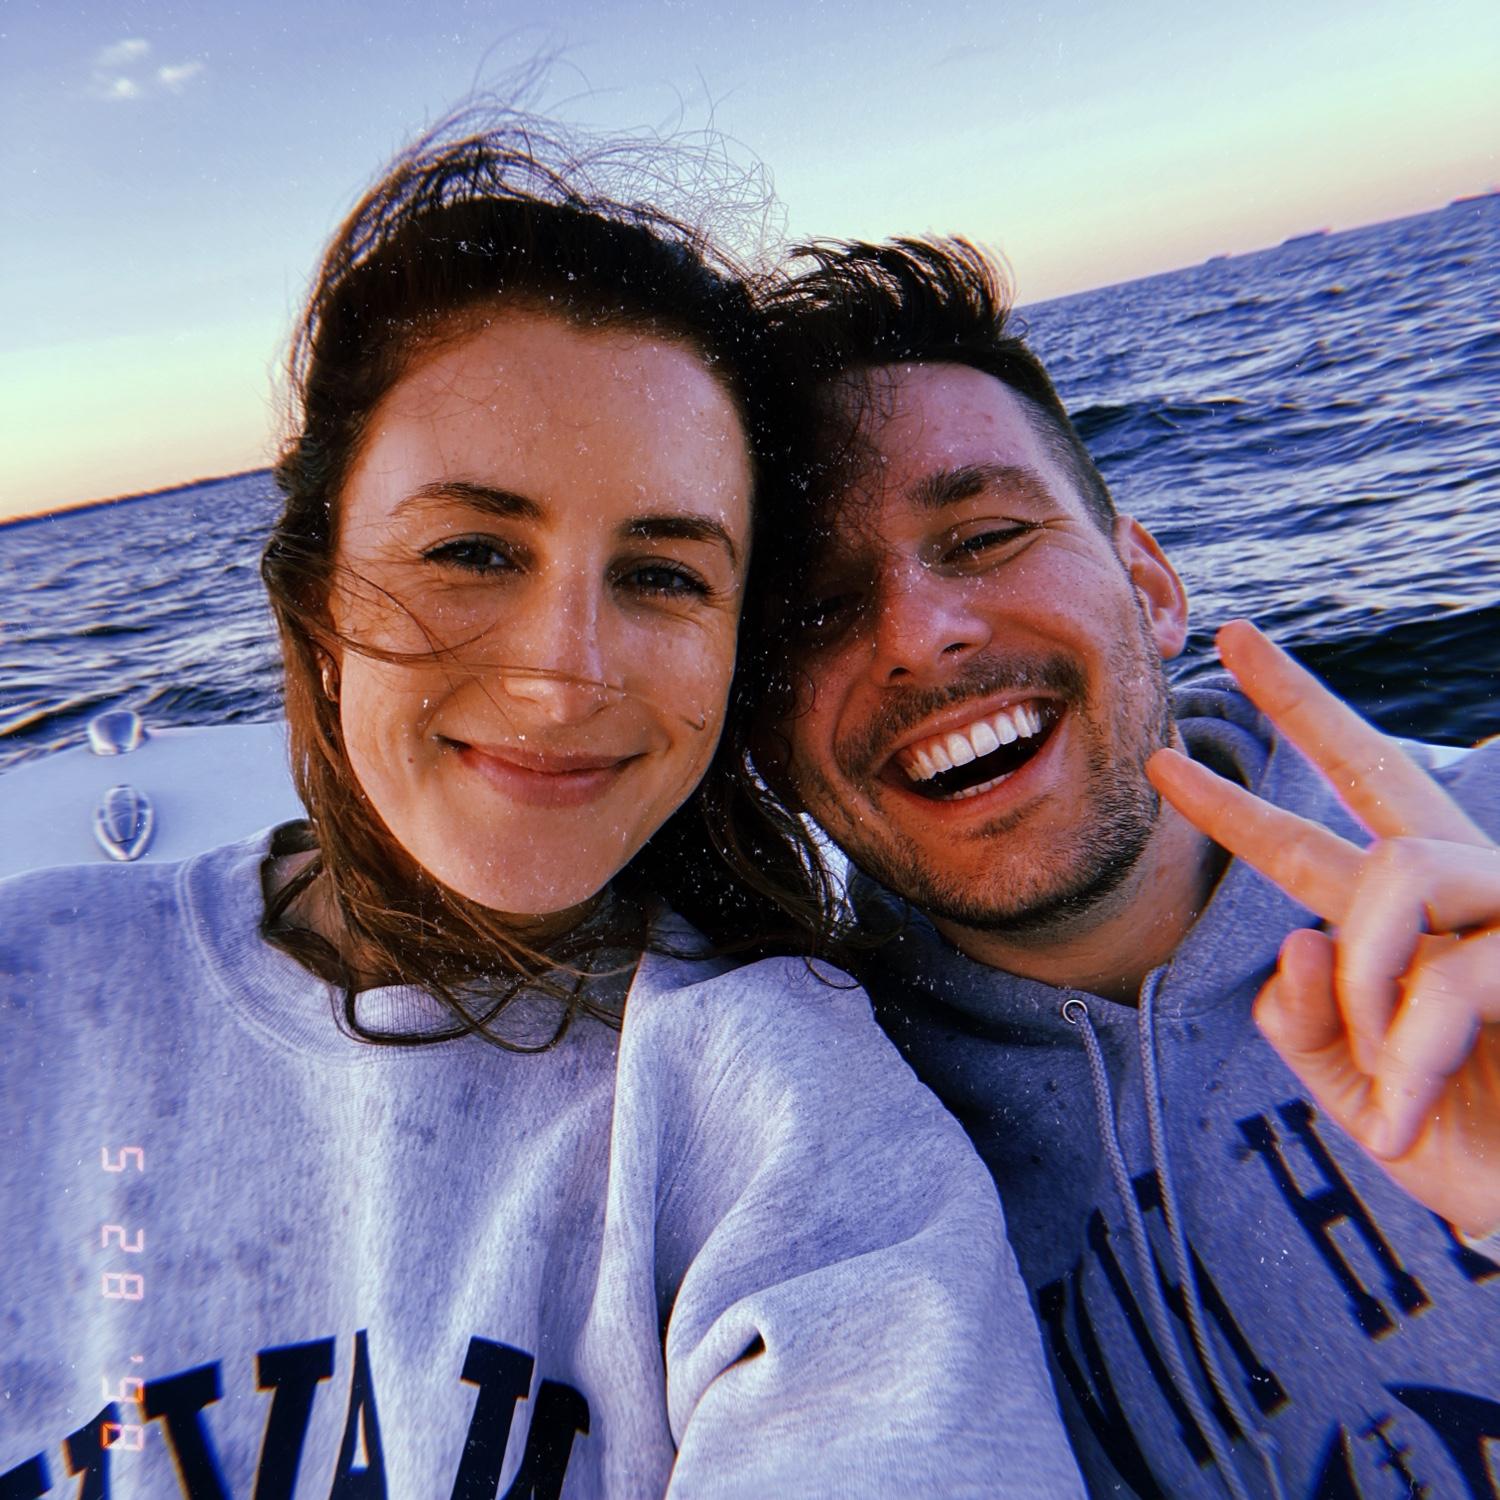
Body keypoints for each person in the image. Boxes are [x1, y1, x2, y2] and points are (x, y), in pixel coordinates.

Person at [0, 138, 1085, 1497]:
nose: (563, 676)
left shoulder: (782, 1111)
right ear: (318, 599)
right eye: (472, 552)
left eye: (663, 574)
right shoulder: (36, 991)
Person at [753, 236, 1500, 1500]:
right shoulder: (814, 1140)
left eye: (985, 535)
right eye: (814, 610)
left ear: (1149, 585)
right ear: (763, 748)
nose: (920, 633)